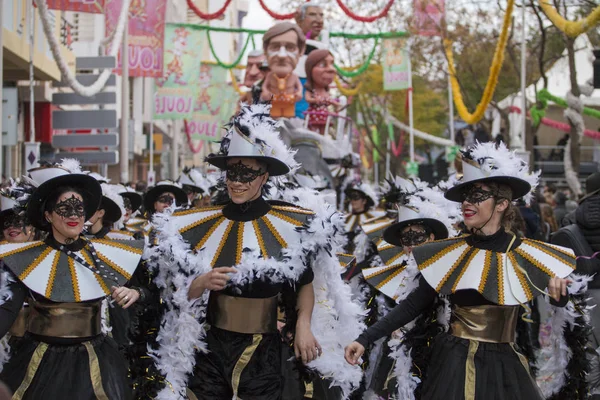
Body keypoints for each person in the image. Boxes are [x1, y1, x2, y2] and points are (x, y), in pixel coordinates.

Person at [145, 104, 364, 399]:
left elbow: (304, 283)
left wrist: (302, 325)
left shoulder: (292, 227)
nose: (236, 181)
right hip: (209, 348)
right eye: (232, 172)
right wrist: (200, 283)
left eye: (247, 174)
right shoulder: (195, 227)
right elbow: (173, 295)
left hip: (264, 352)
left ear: (264, 177)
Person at [345, 142, 576, 399]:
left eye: (477, 195)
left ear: (501, 204)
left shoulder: (524, 253)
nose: (467, 202)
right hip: (453, 362)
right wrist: (364, 339)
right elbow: (412, 305)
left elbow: (559, 307)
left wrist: (560, 295)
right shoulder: (449, 254)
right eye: (465, 196)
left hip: (504, 367)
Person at [0, 160, 145, 399]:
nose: (74, 215)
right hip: (41, 362)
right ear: (47, 215)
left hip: (95, 361)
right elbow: (7, 308)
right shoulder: (26, 259)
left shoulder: (107, 253)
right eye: (64, 209)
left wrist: (135, 293)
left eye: (79, 208)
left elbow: (151, 292)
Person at [360, 177, 460, 398]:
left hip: (443, 356)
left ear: (432, 237)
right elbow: (409, 308)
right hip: (410, 351)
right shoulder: (415, 271)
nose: (411, 246)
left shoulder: (444, 267)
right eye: (406, 240)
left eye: (417, 237)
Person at [261, 22, 305, 119]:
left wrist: (299, 93)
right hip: (274, 102)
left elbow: (300, 88)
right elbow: (264, 87)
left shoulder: (294, 77)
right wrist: (265, 92)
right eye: (275, 47)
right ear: (265, 50)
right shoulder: (269, 77)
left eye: (290, 48)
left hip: (288, 102)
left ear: (301, 51)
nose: (282, 55)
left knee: (288, 118)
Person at [304, 49, 340, 134]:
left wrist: (336, 105)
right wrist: (315, 100)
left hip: (324, 116)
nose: (332, 69)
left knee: (324, 130)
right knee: (313, 130)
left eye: (332, 64)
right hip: (314, 115)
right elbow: (307, 98)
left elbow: (330, 101)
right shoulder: (311, 90)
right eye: (323, 64)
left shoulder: (326, 91)